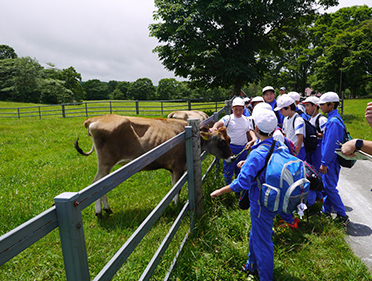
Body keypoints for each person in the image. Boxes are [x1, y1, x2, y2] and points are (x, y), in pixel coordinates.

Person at [210, 109, 281, 280]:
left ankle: (264, 277)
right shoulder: (277, 143)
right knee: (256, 232)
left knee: (263, 241)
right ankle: (251, 265)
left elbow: (241, 183)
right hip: (273, 197)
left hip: (260, 200)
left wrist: (220, 191)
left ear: (255, 128)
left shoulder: (257, 154)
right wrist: (247, 163)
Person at [317, 92, 349, 225]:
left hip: (331, 162)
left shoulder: (334, 122)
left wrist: (324, 163)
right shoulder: (333, 119)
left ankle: (342, 215)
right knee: (327, 187)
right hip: (330, 161)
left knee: (330, 188)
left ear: (331, 105)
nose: (320, 107)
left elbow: (331, 145)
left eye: (322, 105)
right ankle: (326, 211)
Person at [210, 97, 256, 188]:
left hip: (242, 148)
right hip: (230, 148)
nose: (238, 112)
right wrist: (214, 127)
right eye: (236, 109)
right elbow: (220, 123)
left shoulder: (247, 120)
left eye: (240, 109)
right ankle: (226, 188)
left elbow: (249, 131)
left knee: (240, 169)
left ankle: (238, 189)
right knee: (228, 169)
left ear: (244, 109)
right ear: (232, 109)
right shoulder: (228, 118)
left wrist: (253, 139)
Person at [275, 95, 306, 160]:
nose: (280, 112)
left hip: (298, 149)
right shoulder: (285, 119)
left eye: (281, 110)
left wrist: (296, 154)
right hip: (290, 148)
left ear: (288, 108)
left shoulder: (298, 119)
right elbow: (285, 134)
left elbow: (300, 139)